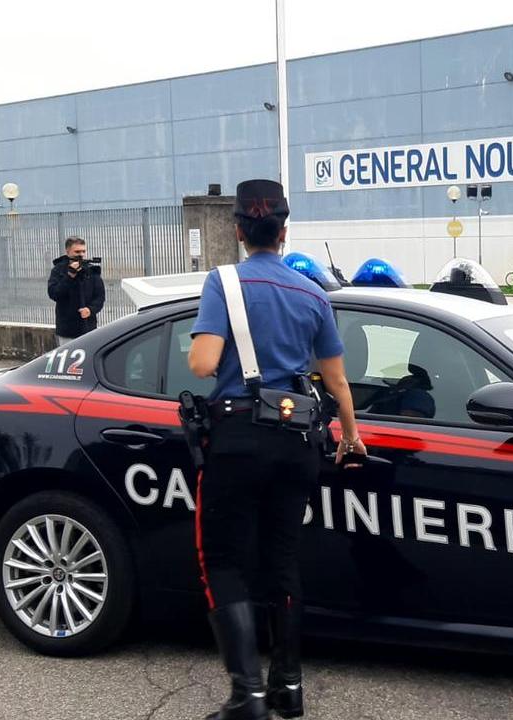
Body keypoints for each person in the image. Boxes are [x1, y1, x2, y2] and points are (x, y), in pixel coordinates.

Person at [187, 179, 368, 720]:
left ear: (239, 230)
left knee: (222, 560)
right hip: (297, 441)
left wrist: (209, 346)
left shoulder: (223, 283)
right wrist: (352, 438)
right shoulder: (313, 294)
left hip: (239, 435)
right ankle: (288, 686)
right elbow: (337, 383)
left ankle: (248, 696)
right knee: (283, 559)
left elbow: (200, 364)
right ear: (284, 232)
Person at [47, 236, 105, 346]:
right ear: (68, 251)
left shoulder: (91, 270)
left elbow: (100, 297)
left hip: (89, 328)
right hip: (67, 330)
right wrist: (70, 276)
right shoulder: (58, 270)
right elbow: (54, 293)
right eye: (77, 251)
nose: (81, 254)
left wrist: (90, 309)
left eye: (83, 251)